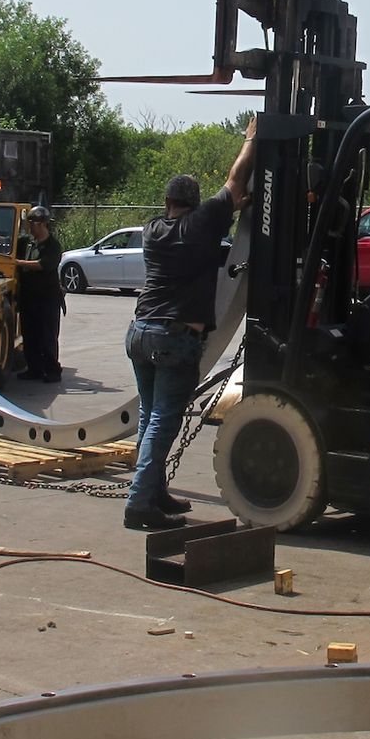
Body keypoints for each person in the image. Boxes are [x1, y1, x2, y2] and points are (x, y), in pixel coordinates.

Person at [123, 117, 258, 530]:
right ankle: (138, 503)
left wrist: (228, 208)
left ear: (167, 202)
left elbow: (222, 204)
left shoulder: (153, 230)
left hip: (140, 331)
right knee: (165, 417)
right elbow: (236, 181)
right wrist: (252, 139)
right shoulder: (201, 222)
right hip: (174, 337)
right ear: (196, 202)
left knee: (150, 415)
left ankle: (154, 491)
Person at [13, 206, 64, 383]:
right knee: (30, 335)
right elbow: (10, 241)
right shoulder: (28, 242)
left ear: (42, 224)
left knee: (48, 336)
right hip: (29, 298)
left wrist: (18, 263)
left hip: (47, 299)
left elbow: (43, 264)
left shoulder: (53, 246)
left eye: (32, 224)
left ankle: (52, 371)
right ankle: (34, 369)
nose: (30, 227)